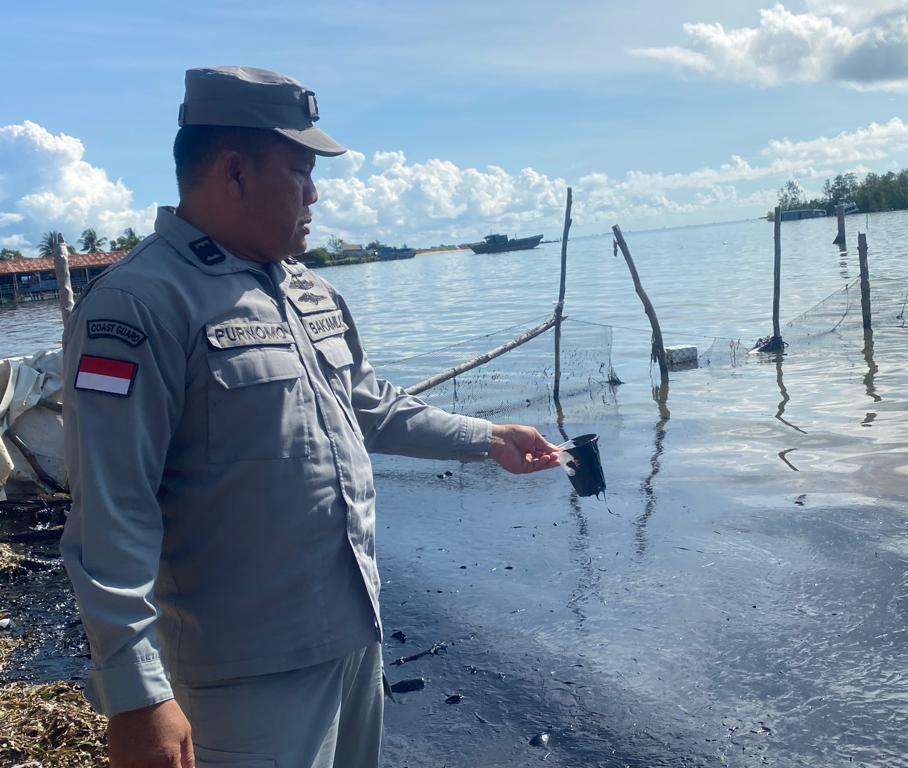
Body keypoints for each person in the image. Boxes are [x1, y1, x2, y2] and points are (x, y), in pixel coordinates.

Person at [60, 65, 561, 768]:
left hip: (353, 643)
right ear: (234, 171)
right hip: (243, 679)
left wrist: (489, 438)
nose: (315, 195)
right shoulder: (137, 305)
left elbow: (370, 408)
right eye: (300, 173)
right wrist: (137, 694)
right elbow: (112, 513)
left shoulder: (309, 291)